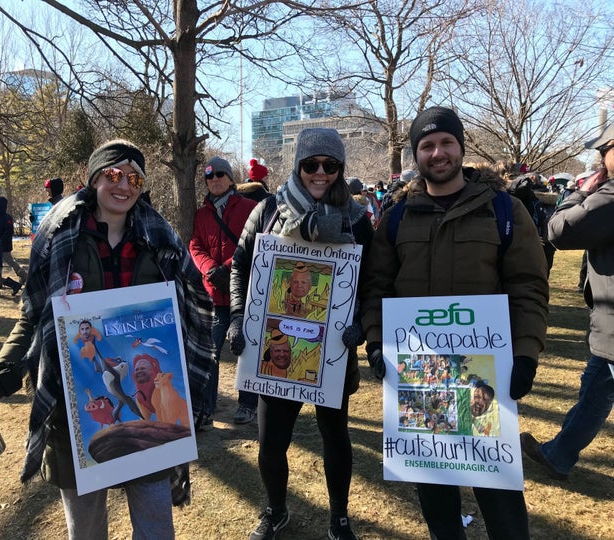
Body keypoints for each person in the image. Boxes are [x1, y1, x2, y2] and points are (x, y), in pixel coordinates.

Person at [0, 139, 215, 539]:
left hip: (151, 415)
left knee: (156, 524)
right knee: (86, 529)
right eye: (113, 174)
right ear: (93, 178)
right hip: (72, 409)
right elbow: (33, 319)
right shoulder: (58, 235)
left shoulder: (160, 240)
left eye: (134, 178)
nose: (124, 185)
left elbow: (191, 310)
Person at [360, 106, 549, 539]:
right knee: (437, 502)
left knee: (501, 503)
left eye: (446, 142)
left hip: (483, 376)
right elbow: (376, 288)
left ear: (461, 147)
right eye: (427, 145)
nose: (438, 152)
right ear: (416, 154)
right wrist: (375, 343)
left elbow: (528, 287)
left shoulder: (504, 210)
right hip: (420, 378)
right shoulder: (396, 218)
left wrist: (524, 354)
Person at [229, 127, 374, 540]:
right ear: (298, 166)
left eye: (331, 166)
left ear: (341, 169)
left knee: (335, 436)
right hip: (275, 348)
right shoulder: (269, 211)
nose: (321, 173)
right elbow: (241, 266)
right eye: (311, 164)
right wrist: (240, 316)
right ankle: (275, 511)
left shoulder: (357, 220)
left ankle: (339, 517)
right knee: (271, 441)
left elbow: (373, 282)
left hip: (331, 349)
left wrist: (361, 322)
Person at [520, 124, 614, 482]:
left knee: (596, 391)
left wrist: (578, 193)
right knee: (598, 388)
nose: (598, 160)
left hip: (612, 322)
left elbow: (559, 231)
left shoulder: (608, 198)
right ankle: (558, 452)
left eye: (602, 151)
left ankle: (558, 454)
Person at [189, 156, 259, 427]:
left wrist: (227, 269)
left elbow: (255, 246)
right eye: (209, 176)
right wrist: (210, 269)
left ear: (231, 178)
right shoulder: (201, 214)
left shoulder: (251, 208)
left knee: (247, 350)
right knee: (211, 353)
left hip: (246, 294)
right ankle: (206, 408)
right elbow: (195, 246)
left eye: (220, 174)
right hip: (215, 295)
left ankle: (247, 405)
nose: (215, 179)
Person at [0, 196, 27, 284]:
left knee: (9, 261)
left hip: (4, 245)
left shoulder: (6, 218)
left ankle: (24, 275)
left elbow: (8, 232)